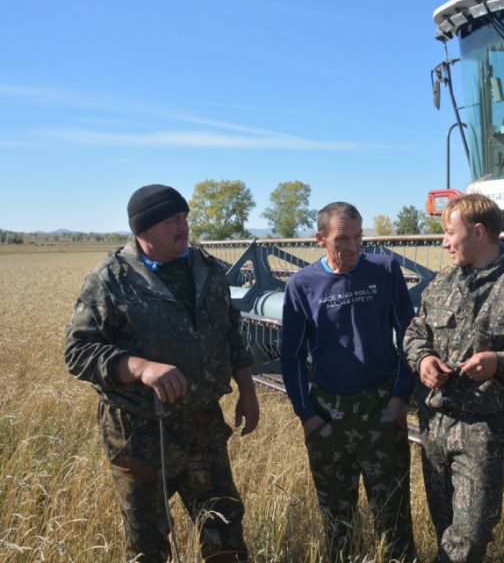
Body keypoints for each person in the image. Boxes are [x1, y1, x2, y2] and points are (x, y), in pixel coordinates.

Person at [64, 184, 259, 563]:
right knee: (148, 544)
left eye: (184, 217)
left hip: (202, 424)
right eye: (172, 220)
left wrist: (247, 389)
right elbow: (78, 351)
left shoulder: (207, 270)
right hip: (139, 434)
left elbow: (231, 331)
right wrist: (139, 368)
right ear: (144, 230)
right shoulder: (111, 279)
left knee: (225, 531)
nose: (183, 226)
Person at [404, 193, 504, 563]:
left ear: (478, 233)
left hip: (483, 429)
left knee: (469, 538)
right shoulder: (442, 283)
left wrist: (499, 362)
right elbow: (415, 334)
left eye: (449, 233)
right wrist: (424, 359)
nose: (443, 242)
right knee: (444, 530)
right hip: (434, 423)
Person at [280, 202, 416, 561]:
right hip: (328, 414)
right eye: (342, 239)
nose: (353, 247)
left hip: (381, 409)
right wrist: (307, 415)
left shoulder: (385, 270)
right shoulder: (301, 285)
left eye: (359, 237)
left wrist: (399, 397)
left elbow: (410, 335)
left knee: (394, 516)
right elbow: (291, 355)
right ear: (320, 238)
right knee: (337, 521)